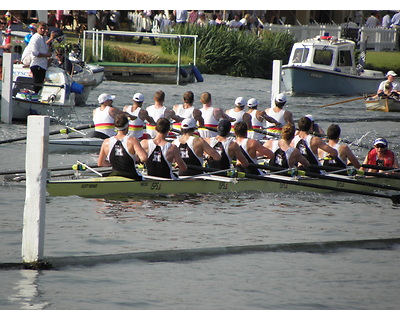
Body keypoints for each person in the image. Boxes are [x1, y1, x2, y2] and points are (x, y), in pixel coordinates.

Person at [97, 113, 148, 180]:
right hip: (131, 177)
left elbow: (100, 163)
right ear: (127, 126)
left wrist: (115, 162)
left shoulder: (106, 142)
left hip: (114, 176)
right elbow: (144, 158)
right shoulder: (132, 140)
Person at [27, 21, 57, 93]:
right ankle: (33, 99)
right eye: (41, 28)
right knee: (36, 86)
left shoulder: (43, 38)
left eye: (44, 28)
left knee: (40, 86)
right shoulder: (36, 38)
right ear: (37, 29)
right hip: (37, 65)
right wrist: (46, 55)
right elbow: (35, 52)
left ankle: (36, 98)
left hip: (42, 65)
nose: (43, 30)